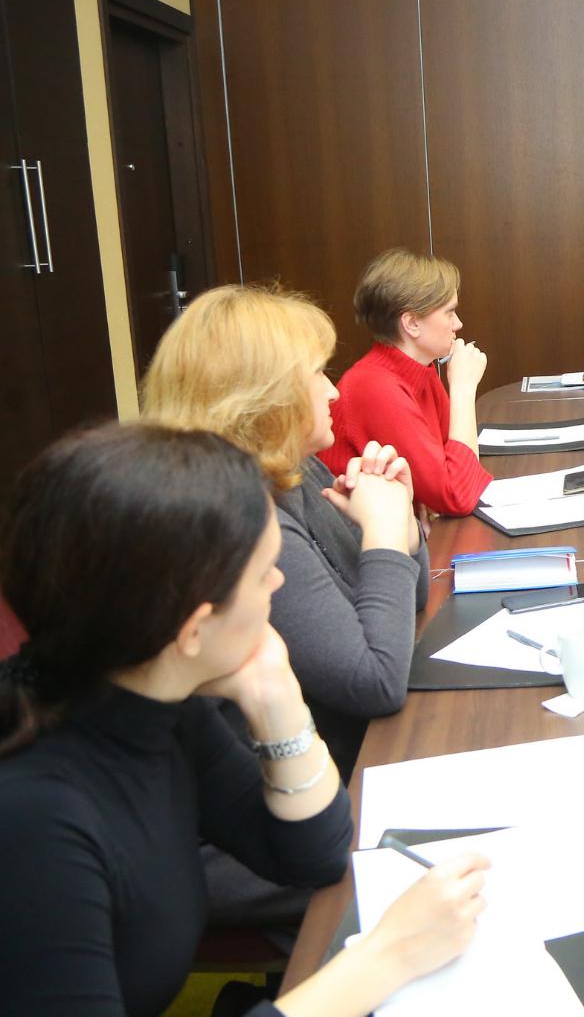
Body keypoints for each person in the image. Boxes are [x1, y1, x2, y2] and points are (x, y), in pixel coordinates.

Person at [0, 423, 488, 1017]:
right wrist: (387, 957)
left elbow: (315, 853)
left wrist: (275, 696)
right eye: (264, 573)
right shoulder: (35, 819)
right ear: (192, 631)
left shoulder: (155, 700)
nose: (279, 583)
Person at [141, 285, 426, 772]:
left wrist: (401, 522)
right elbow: (375, 682)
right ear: (268, 398)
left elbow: (407, 601)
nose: (333, 391)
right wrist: (382, 533)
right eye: (317, 373)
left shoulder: (294, 469)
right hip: (314, 772)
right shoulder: (241, 518)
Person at [322, 248, 493, 517]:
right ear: (412, 323)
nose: (458, 324)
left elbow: (462, 468)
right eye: (449, 312)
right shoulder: (373, 386)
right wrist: (463, 388)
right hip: (357, 539)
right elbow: (456, 495)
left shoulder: (420, 372)